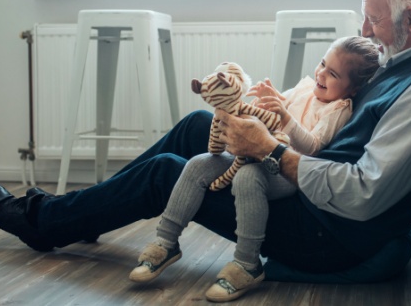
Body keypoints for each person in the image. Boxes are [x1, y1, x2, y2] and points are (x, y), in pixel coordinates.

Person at [0, 0, 411, 303]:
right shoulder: (403, 61)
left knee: (168, 172)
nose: (365, 31)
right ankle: (82, 216)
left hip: (329, 233)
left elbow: (364, 194)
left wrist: (271, 151)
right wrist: (271, 117)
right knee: (199, 123)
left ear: (410, 19)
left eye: (372, 20)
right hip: (309, 192)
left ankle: (42, 223)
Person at [129, 36, 380, 302]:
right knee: (197, 165)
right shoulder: (307, 86)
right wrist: (268, 100)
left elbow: (312, 148)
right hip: (255, 153)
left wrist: (284, 115)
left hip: (286, 170)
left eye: (333, 74)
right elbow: (274, 111)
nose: (321, 74)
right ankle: (165, 243)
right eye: (322, 64)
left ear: (352, 89)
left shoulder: (338, 109)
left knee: (248, 178)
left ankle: (247, 263)